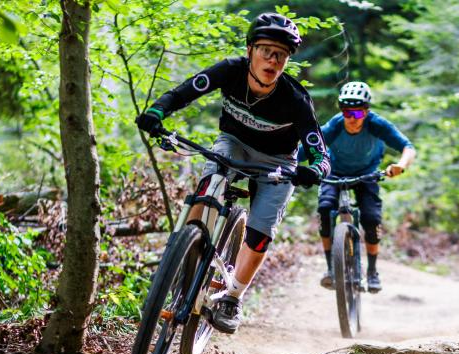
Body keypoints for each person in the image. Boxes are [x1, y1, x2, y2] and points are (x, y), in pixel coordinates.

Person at [136, 12, 330, 334]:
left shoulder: (297, 100)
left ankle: (233, 297)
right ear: (250, 49)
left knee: (261, 230)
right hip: (233, 143)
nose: (272, 60)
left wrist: (314, 169)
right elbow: (183, 93)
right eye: (266, 51)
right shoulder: (230, 70)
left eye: (280, 55)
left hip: (278, 161)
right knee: (209, 184)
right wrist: (157, 111)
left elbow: (319, 151)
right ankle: (185, 255)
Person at [310, 81, 415, 293]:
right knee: (324, 209)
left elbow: (407, 147)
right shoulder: (335, 125)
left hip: (367, 174)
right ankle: (331, 269)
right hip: (335, 172)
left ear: (366, 112)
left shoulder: (376, 124)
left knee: (371, 218)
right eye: (347, 112)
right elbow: (307, 149)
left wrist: (400, 166)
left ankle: (372, 271)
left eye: (357, 114)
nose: (351, 119)